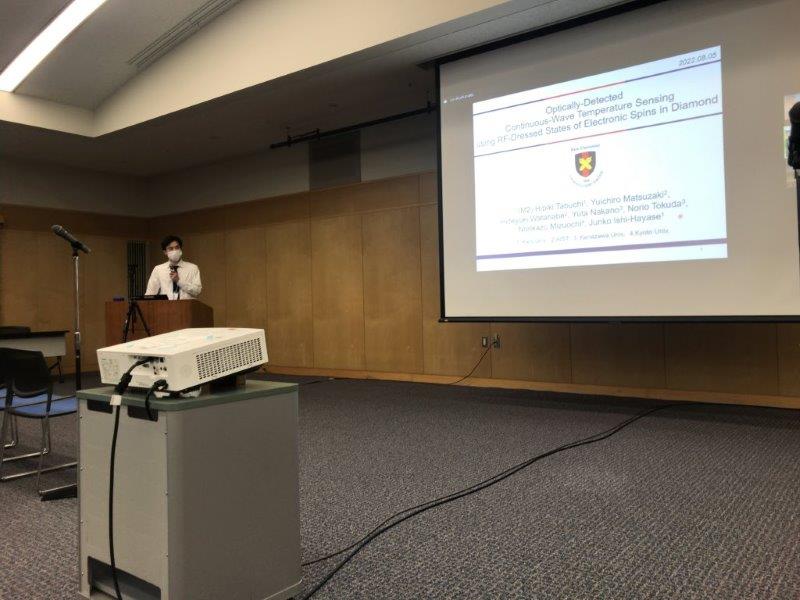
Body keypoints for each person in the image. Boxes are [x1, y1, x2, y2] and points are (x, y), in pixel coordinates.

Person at [145, 235, 202, 300]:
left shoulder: (192, 268)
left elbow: (197, 291)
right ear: (165, 252)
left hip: (187, 305)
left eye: (177, 247)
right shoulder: (158, 269)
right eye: (171, 248)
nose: (174, 250)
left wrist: (179, 281)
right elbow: (150, 294)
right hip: (166, 305)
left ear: (181, 249)